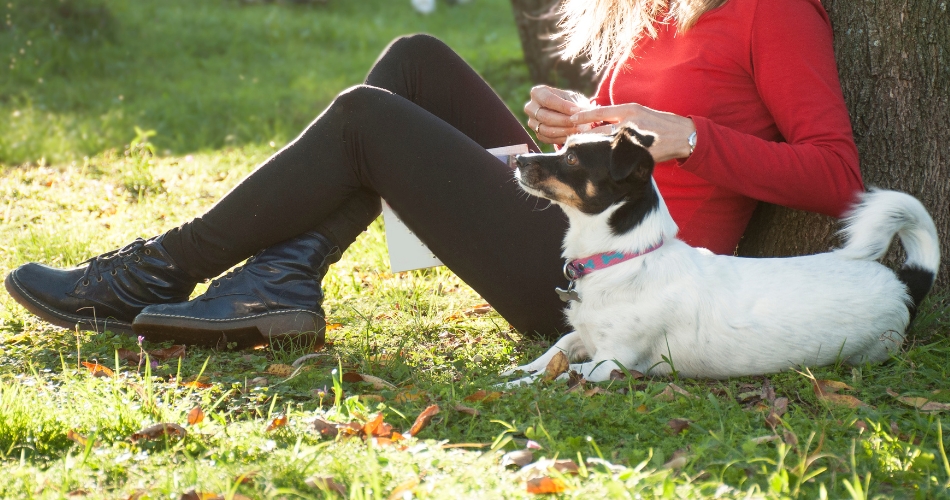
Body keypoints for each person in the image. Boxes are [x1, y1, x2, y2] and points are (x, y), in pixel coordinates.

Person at [4, 0, 864, 347]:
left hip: (611, 280)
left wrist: (692, 140)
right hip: (576, 219)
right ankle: (281, 278)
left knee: (365, 116)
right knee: (414, 59)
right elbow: (623, 138)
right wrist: (568, 122)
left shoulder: (774, 12)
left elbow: (835, 177)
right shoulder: (654, 8)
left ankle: (157, 271)